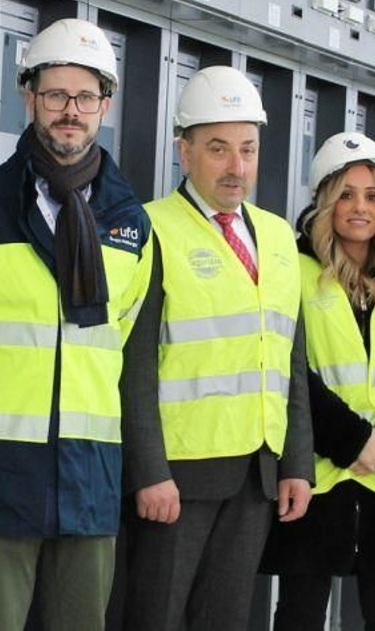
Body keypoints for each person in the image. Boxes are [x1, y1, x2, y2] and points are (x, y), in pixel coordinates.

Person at [0, 18, 154, 631]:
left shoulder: (130, 223)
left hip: (90, 463)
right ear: (29, 97)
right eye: (56, 95)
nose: (71, 111)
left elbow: (116, 336)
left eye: (86, 97)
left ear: (105, 105)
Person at [118, 64, 314, 631]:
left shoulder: (277, 235)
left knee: (226, 619)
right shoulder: (150, 228)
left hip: (256, 469)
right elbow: (135, 366)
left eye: (248, 150)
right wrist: (148, 470)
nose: (236, 167)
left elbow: (289, 360)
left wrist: (296, 462)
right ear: (185, 150)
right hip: (177, 474)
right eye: (219, 149)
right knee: (155, 616)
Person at [259, 133, 375, 631]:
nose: (359, 207)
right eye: (345, 194)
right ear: (322, 200)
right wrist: (353, 441)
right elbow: (290, 371)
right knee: (299, 613)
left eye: (372, 195)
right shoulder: (291, 273)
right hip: (316, 475)